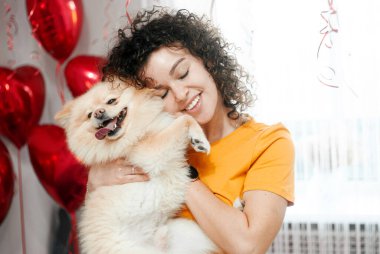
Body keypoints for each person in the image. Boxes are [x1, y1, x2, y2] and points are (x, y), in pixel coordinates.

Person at [88, 7, 294, 254]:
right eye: (162, 93)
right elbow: (109, 233)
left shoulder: (269, 143)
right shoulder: (142, 145)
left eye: (183, 73)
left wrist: (174, 168)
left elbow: (248, 245)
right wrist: (93, 184)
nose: (181, 94)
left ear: (207, 60)